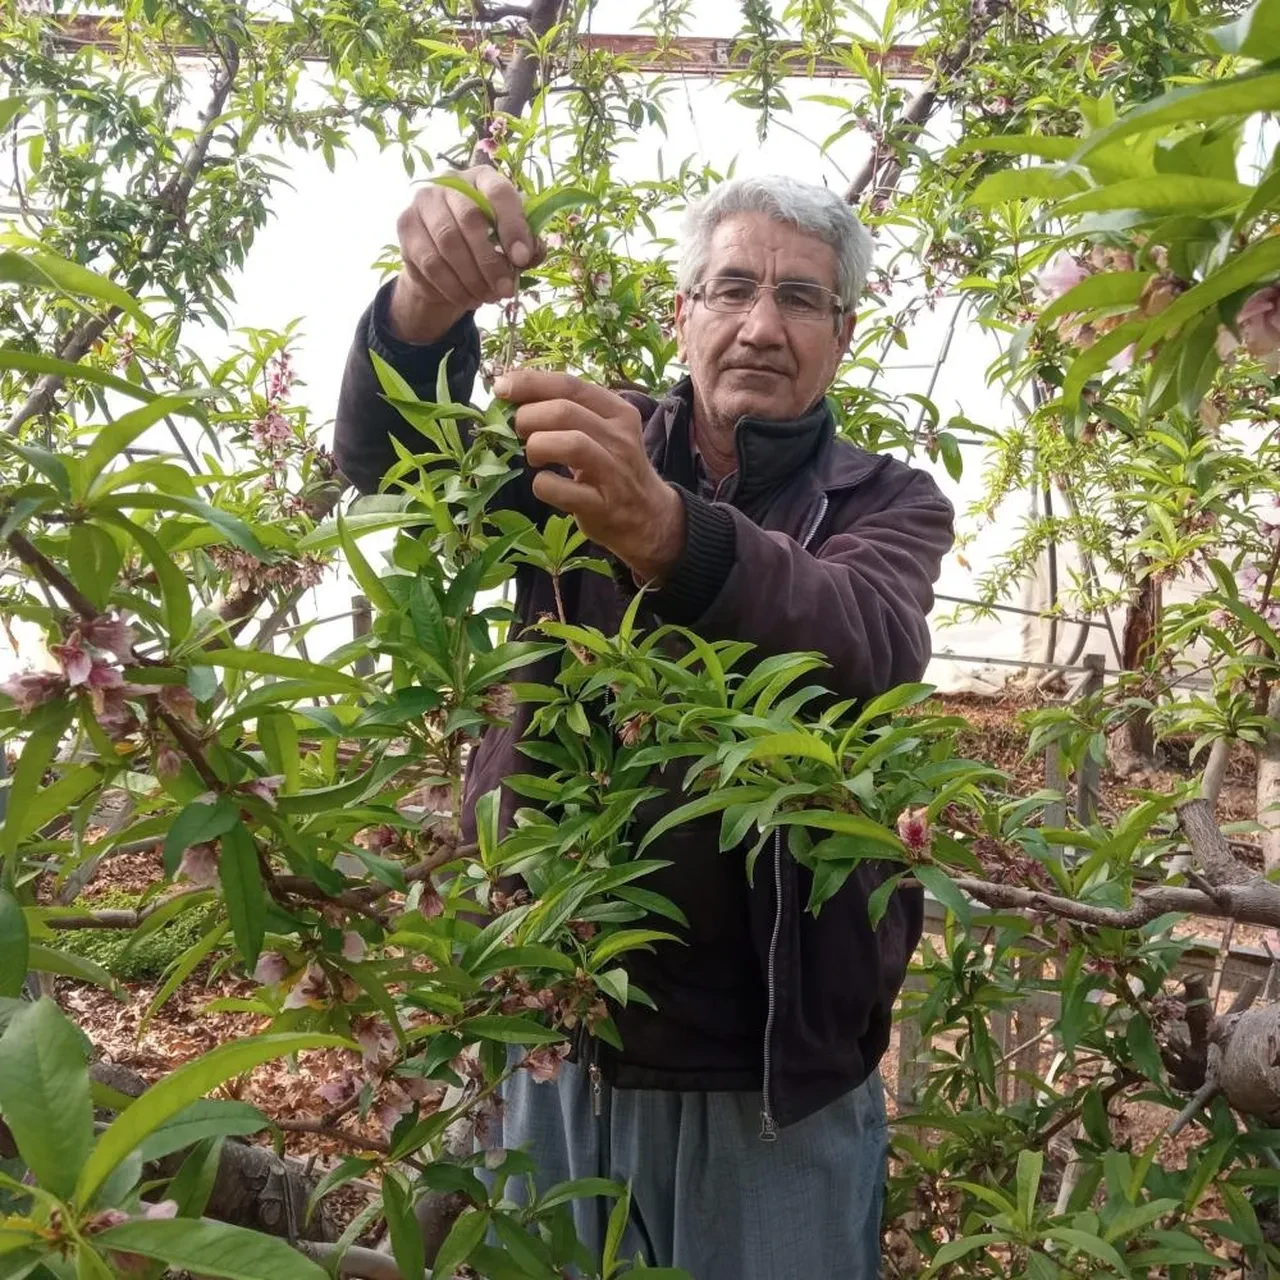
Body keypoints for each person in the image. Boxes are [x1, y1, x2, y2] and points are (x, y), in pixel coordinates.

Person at [334, 170, 955, 1279]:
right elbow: (394, 464)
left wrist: (668, 532)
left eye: (800, 299)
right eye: (730, 289)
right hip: (565, 1031)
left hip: (771, 1074)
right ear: (684, 313)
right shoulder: (594, 443)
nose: (761, 325)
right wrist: (422, 314)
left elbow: (861, 633)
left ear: (841, 334)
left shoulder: (886, 501)